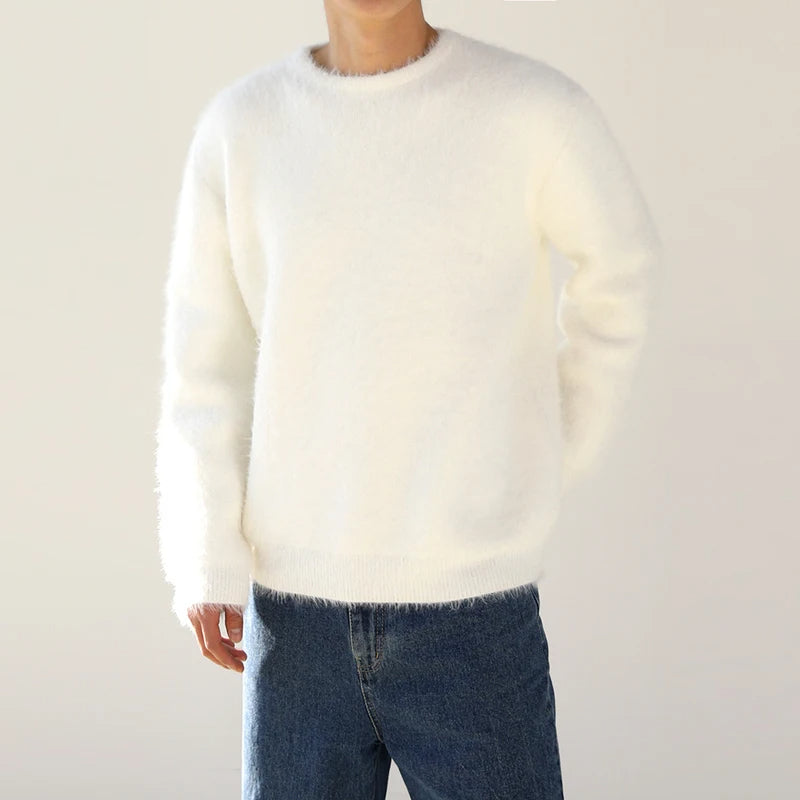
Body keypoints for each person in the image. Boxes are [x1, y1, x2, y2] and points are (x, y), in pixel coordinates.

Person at [154, 1, 661, 797]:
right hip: (294, 625)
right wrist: (205, 552)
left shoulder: (530, 113)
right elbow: (205, 361)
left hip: (473, 615)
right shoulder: (242, 128)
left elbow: (621, 273)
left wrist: (552, 450)